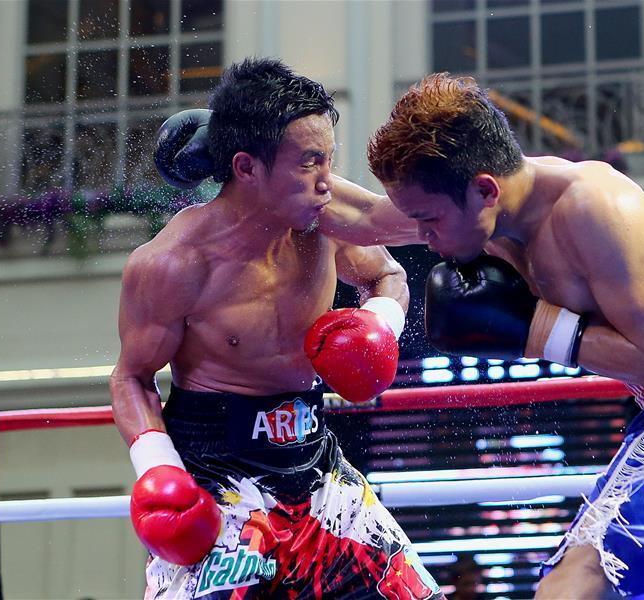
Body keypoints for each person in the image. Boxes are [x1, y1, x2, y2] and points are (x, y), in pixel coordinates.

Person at [366, 73, 644, 600]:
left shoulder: (593, 207)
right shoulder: (470, 214)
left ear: (485, 189)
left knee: (579, 578)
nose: (422, 238)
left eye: (427, 221)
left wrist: (533, 328)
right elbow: (358, 217)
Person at [110, 57, 441, 599]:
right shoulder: (173, 263)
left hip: (315, 464)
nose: (327, 180)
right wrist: (157, 469)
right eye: (310, 162)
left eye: (329, 159)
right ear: (246, 168)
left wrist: (381, 322)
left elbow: (389, 269)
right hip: (214, 472)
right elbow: (132, 377)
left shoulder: (324, 221)